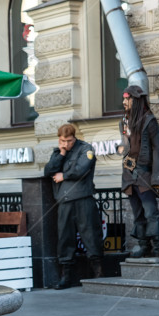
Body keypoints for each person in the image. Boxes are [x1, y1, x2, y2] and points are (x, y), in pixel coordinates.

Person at [44, 123, 104, 289]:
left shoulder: (86, 149)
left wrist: (64, 176)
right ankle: (66, 276)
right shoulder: (59, 152)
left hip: (83, 198)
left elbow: (82, 169)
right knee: (65, 239)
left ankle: (98, 273)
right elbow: (48, 170)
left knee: (91, 235)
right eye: (63, 141)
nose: (66, 144)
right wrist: (61, 153)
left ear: (74, 137)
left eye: (69, 141)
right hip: (64, 201)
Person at [119, 85, 159, 262]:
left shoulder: (149, 121)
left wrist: (156, 177)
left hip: (144, 174)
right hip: (129, 174)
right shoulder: (124, 122)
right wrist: (123, 143)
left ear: (136, 100)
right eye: (124, 99)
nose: (124, 102)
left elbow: (158, 150)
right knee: (138, 213)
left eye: (127, 99)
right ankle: (144, 246)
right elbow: (126, 148)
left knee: (151, 212)